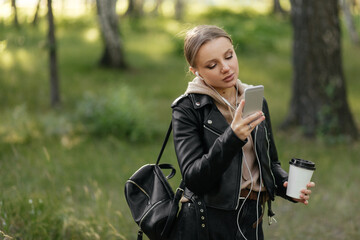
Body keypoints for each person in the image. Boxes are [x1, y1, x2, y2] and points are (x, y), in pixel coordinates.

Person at [170, 25, 316, 240]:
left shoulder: (254, 99)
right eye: (212, 65)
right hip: (208, 221)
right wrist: (233, 137)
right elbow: (194, 179)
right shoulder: (187, 109)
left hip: (252, 217)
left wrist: (288, 186)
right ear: (196, 71)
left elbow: (270, 163)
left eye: (229, 56)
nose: (226, 68)